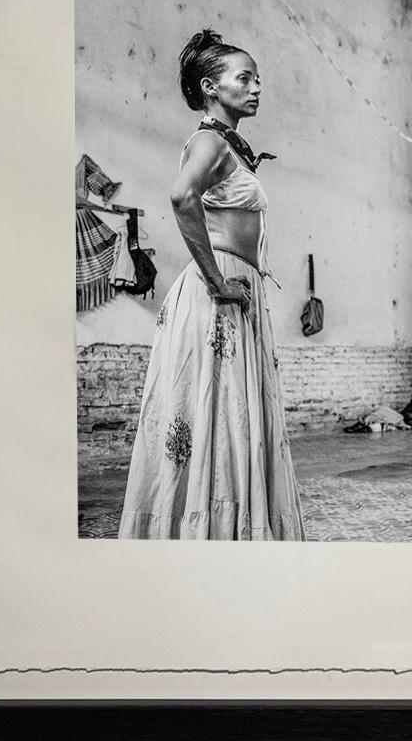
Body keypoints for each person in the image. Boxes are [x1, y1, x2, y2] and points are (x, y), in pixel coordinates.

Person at [118, 29, 305, 540]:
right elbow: (182, 197)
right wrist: (219, 281)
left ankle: (233, 529)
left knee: (231, 415)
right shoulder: (208, 141)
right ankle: (208, 530)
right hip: (217, 291)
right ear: (209, 86)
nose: (256, 87)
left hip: (236, 286)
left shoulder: (228, 146)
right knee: (216, 411)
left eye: (258, 79)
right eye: (244, 78)